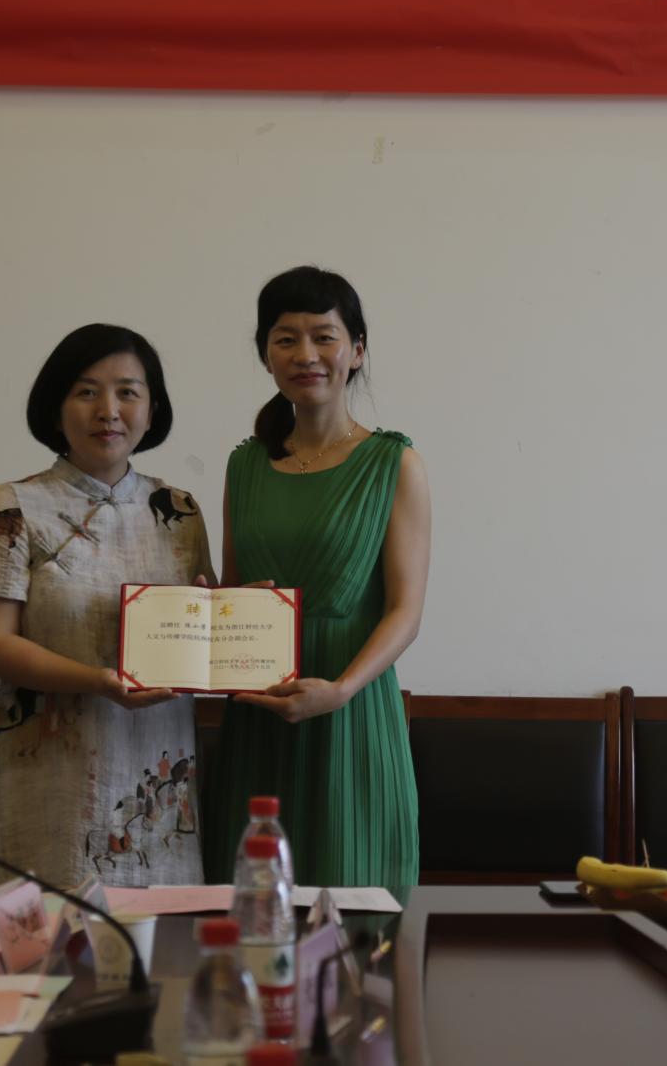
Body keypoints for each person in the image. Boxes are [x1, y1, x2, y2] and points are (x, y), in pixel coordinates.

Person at [201, 268, 430, 888]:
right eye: (286, 339)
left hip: (351, 712)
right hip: (258, 716)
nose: (305, 355)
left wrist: (342, 690)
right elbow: (234, 593)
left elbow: (405, 613)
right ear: (266, 355)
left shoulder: (395, 463)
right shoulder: (244, 465)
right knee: (253, 913)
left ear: (356, 351)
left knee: (356, 912)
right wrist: (203, 610)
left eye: (324, 337)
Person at [0, 326, 214, 888]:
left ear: (152, 409)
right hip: (47, 769)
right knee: (44, 931)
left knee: (157, 935)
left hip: (156, 763)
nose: (108, 410)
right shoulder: (13, 505)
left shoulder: (179, 509)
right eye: (86, 392)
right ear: (56, 408)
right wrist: (97, 681)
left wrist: (238, 615)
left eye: (128, 392)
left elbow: (202, 637)